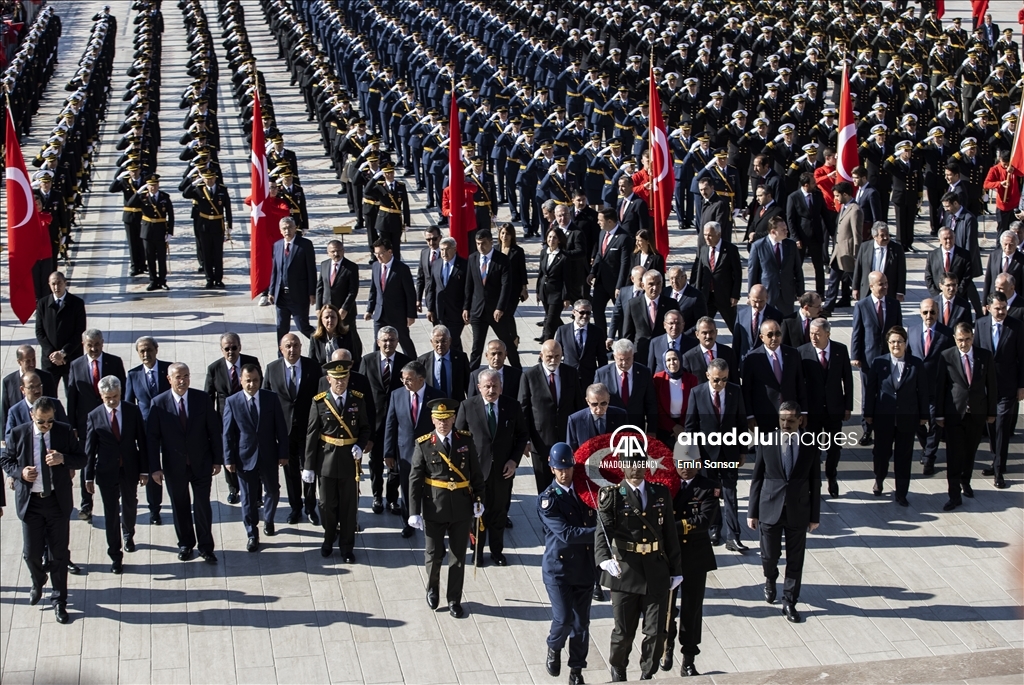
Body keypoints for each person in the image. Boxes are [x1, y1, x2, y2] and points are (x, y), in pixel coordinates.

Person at [595, 452, 683, 681]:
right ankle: (619, 667)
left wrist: (676, 570)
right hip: (626, 571)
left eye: (639, 464)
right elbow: (603, 530)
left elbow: (669, 534)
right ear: (622, 467)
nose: (635, 469)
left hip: (656, 570)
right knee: (623, 632)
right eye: (630, 464)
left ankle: (647, 674)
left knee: (656, 632)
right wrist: (603, 558)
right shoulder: (613, 495)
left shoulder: (660, 493)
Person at [1, 397, 87, 624]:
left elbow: (82, 459)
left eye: (50, 421)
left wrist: (63, 459)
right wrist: (20, 473)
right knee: (31, 553)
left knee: (59, 555)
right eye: (41, 422)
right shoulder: (19, 433)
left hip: (57, 502)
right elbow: (5, 459)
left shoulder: (64, 432)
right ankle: (38, 579)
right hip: (31, 503)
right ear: (32, 416)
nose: (46, 425)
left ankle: (59, 600)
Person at [407, 398, 486, 618]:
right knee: (433, 555)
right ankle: (432, 588)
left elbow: (476, 475)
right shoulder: (424, 443)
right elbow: (415, 479)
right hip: (435, 507)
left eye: (447, 419)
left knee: (458, 557)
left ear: (454, 418)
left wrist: (479, 500)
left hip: (461, 507)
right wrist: (413, 511)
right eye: (439, 419)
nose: (443, 423)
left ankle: (454, 599)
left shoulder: (465, 441)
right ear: (432, 420)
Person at [747, 402, 821, 623]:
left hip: (798, 510)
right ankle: (770, 579)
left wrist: (814, 516)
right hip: (770, 508)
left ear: (800, 420)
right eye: (782, 420)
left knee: (795, 559)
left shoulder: (810, 443)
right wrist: (752, 512)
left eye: (790, 420)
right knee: (769, 556)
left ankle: (789, 601)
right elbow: (757, 477)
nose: (786, 424)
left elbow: (815, 481)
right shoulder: (767, 441)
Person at [147, 363, 224, 564]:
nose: (182, 381)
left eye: (186, 376)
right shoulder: (158, 403)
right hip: (175, 467)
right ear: (169, 379)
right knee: (180, 506)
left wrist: (217, 459)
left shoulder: (202, 399)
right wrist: (155, 468)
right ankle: (185, 544)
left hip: (201, 464)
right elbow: (152, 439)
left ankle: (206, 547)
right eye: (178, 377)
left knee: (202, 506)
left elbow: (213, 430)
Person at [455, 369, 529, 566]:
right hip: (477, 473)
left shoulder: (512, 406)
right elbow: (458, 439)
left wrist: (514, 461)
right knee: (477, 514)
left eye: (495, 386)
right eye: (487, 386)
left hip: (503, 473)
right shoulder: (467, 406)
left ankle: (497, 552)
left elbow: (522, 435)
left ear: (501, 387)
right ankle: (477, 552)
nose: (491, 390)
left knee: (499, 514)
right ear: (479, 387)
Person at [539, 442, 597, 685]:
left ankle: (577, 670)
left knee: (581, 624)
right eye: (559, 469)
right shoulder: (548, 500)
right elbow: (566, 534)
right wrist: (600, 534)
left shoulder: (587, 491)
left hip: (584, 568)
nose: (564, 474)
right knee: (563, 619)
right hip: (559, 570)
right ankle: (554, 646)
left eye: (568, 468)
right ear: (552, 469)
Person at [303, 359, 372, 561]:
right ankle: (329, 537)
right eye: (336, 379)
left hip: (350, 462)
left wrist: (360, 445)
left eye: (344, 378)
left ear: (348, 378)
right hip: (326, 461)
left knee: (349, 507)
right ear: (328, 379)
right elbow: (312, 434)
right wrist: (308, 466)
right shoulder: (319, 402)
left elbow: (365, 428)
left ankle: (346, 547)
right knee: (326, 505)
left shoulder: (357, 400)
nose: (340, 383)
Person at [663, 455, 720, 677]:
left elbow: (704, 521)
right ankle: (666, 646)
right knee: (667, 606)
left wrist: (670, 527)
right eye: (681, 464)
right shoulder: (665, 483)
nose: (685, 469)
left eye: (690, 464)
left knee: (692, 609)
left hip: (695, 556)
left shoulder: (708, 487)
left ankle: (689, 657)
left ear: (698, 463)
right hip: (670, 555)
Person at [84, 376, 147, 573]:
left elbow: (142, 441)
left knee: (130, 505)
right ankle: (115, 555)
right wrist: (88, 476)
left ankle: (128, 533)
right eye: (108, 397)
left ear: (120, 393)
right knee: (110, 513)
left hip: (129, 468)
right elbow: (89, 449)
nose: (112, 401)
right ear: (101, 395)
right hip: (106, 471)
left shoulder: (132, 410)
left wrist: (144, 470)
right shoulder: (94, 416)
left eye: (115, 396)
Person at [684, 357, 747, 551]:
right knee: (711, 493)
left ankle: (734, 536)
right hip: (706, 455)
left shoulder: (735, 391)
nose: (720, 384)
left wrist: (742, 450)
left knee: (730, 493)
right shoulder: (697, 393)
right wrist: (693, 454)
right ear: (707, 375)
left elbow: (741, 422)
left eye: (724, 379)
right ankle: (714, 529)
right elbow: (690, 426)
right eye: (716, 379)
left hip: (729, 453)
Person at [935, 323, 998, 511]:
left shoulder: (984, 356)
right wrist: (939, 414)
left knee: (970, 452)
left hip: (977, 414)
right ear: (955, 339)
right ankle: (953, 495)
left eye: (968, 339)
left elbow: (992, 385)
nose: (964, 344)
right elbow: (941, 387)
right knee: (954, 456)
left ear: (973, 337)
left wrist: (991, 412)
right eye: (960, 340)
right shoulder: (946, 356)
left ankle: (966, 481)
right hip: (954, 414)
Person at [864, 326, 930, 506]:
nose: (896, 345)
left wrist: (924, 415)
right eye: (892, 342)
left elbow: (923, 391)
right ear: (888, 343)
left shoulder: (916, 364)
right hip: (883, 418)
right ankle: (879, 478)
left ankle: (901, 493)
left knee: (903, 457)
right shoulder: (879, 363)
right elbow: (871, 390)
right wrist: (868, 413)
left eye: (899, 341)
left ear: (905, 343)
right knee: (881, 454)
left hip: (907, 418)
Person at [66, 329, 126, 522]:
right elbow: (71, 397)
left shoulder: (114, 362)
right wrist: (72, 425)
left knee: (113, 459)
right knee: (87, 461)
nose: (94, 349)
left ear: (103, 342)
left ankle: (115, 496)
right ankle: (86, 505)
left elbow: (123, 393)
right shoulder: (76, 365)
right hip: (86, 425)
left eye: (97, 344)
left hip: (111, 422)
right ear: (83, 344)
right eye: (90, 345)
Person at [263, 334, 322, 526]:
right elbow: (266, 400)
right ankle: (295, 507)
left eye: (296, 345)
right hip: (284, 431)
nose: (292, 349)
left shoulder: (313, 367)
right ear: (281, 349)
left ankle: (311, 507)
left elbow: (321, 396)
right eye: (288, 346)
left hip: (308, 429)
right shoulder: (272, 369)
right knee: (291, 472)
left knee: (309, 469)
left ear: (301, 347)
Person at [384, 360, 444, 537]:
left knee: (432, 489)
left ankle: (433, 522)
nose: (405, 382)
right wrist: (388, 452)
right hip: (405, 452)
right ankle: (409, 521)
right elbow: (391, 425)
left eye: (409, 379)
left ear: (421, 379)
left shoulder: (437, 396)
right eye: (403, 379)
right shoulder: (397, 395)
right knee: (407, 488)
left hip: (431, 452)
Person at [519, 340, 584, 494]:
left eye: (557, 356)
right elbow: (523, 410)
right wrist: (525, 440)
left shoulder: (571, 373)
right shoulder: (529, 376)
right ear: (541, 355)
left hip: (567, 440)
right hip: (541, 441)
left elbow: (579, 406)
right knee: (544, 487)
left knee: (569, 484)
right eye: (549, 356)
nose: (553, 360)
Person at [799, 318, 854, 497]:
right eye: (811, 334)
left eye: (817, 334)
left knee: (834, 449)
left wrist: (848, 406)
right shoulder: (802, 352)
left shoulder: (840, 350)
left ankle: (832, 476)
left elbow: (848, 379)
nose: (813, 338)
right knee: (811, 449)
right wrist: (802, 411)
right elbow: (799, 384)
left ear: (828, 334)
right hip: (812, 411)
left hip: (834, 409)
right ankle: (814, 483)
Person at [974, 293, 1024, 489]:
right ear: (988, 308)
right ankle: (997, 462)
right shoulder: (980, 324)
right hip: (986, 388)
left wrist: (1021, 386)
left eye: (1004, 307)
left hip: (1007, 387)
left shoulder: (1016, 326)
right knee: (992, 426)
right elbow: (976, 355)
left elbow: (1022, 358)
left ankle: (998, 471)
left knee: (1002, 425)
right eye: (997, 308)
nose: (1001, 311)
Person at [205, 332, 261, 505]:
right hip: (226, 419)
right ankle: (233, 488)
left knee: (253, 452)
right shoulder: (214, 368)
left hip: (250, 417)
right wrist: (212, 422)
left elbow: (260, 386)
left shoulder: (251, 362)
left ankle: (257, 492)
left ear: (240, 347)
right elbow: (209, 397)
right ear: (221, 350)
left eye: (234, 348)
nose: (231, 352)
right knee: (228, 452)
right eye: (227, 348)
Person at [851, 272, 903, 445]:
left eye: (886, 283)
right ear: (871, 286)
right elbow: (857, 332)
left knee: (888, 391)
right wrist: (855, 355)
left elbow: (899, 330)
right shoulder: (862, 305)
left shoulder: (894, 304)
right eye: (881, 284)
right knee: (868, 393)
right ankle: (867, 430)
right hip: (869, 358)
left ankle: (888, 425)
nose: (885, 286)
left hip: (890, 357)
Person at [362, 326, 410, 515]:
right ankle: (377, 496)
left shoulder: (406, 362)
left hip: (398, 422)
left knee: (395, 463)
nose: (388, 343)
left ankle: (392, 499)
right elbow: (360, 393)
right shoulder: (367, 361)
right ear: (378, 342)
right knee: (375, 462)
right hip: (374, 422)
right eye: (385, 340)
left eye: (392, 340)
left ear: (397, 342)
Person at [123, 336, 170, 524]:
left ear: (156, 349)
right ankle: (154, 509)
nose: (146, 354)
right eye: (142, 351)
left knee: (173, 467)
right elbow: (128, 405)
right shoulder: (133, 375)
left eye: (149, 349)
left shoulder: (169, 369)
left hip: (169, 427)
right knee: (152, 470)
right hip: (146, 430)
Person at [907, 300, 956, 476]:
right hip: (917, 389)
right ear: (920, 313)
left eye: (933, 312)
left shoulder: (947, 334)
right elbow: (908, 358)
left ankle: (929, 458)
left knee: (935, 424)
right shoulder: (912, 331)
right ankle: (927, 448)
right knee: (916, 423)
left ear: (938, 313)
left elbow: (952, 361)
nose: (929, 316)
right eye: (926, 312)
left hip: (937, 388)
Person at [464, 230, 518, 369]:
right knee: (477, 347)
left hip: (496, 312)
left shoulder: (502, 260)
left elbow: (506, 286)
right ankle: (472, 375)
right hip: (478, 311)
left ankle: (518, 371)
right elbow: (469, 285)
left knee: (507, 342)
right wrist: (466, 307)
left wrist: (500, 307)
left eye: (483, 243)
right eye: (477, 244)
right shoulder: (472, 258)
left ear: (491, 242)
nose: (480, 247)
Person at [741, 319, 807, 430]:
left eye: (778, 334)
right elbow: (747, 390)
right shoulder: (752, 358)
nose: (774, 338)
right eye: (770, 335)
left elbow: (800, 383)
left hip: (790, 415)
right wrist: (750, 416)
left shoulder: (793, 354)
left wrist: (804, 411)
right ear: (762, 337)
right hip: (765, 415)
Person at [34, 271, 87, 394]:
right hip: (50, 361)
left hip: (71, 358)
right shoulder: (42, 304)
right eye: (53, 284)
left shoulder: (77, 303)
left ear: (65, 283)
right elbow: (39, 332)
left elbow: (79, 331)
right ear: (49, 284)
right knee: (49, 396)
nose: (56, 287)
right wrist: (53, 354)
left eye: (59, 283)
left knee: (73, 395)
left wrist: (63, 353)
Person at [366, 238, 418, 357]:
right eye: (375, 254)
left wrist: (411, 315)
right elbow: (374, 290)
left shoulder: (402, 268)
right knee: (378, 342)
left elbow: (410, 293)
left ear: (390, 252)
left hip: (397, 314)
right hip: (380, 314)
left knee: (404, 342)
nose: (378, 257)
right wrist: (369, 309)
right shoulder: (375, 266)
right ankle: (376, 364)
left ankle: (413, 364)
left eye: (381, 253)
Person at [181, 169, 231, 288]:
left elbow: (228, 209)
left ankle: (218, 279)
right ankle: (209, 279)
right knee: (206, 253)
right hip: (204, 226)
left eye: (211, 178)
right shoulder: (199, 189)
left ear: (215, 178)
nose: (209, 181)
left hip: (218, 225)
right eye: (207, 178)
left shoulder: (222, 190)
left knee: (218, 254)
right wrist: (195, 182)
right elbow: (185, 194)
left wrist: (229, 226)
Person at [269, 217, 317, 341]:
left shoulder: (305, 245)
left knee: (303, 326)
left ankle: (322, 344)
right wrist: (271, 291)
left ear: (295, 228)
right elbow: (275, 270)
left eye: (290, 227)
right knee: (281, 327)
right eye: (284, 228)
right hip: (281, 296)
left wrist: (312, 293)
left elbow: (311, 270)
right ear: (280, 230)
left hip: (298, 295)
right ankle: (281, 353)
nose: (287, 231)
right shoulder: (277, 245)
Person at [595, 339, 658, 433]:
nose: (624, 363)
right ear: (614, 356)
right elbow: (596, 402)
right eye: (621, 359)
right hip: (611, 428)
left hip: (636, 427)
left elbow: (651, 403)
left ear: (633, 355)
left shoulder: (644, 372)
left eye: (628, 359)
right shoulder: (602, 374)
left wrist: (651, 430)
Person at [690, 221, 742, 331]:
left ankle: (740, 342)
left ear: (718, 234)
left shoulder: (730, 249)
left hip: (725, 296)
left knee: (734, 326)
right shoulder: (703, 249)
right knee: (703, 326)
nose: (707, 238)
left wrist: (735, 295)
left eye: (710, 235)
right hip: (707, 296)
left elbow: (737, 273)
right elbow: (698, 272)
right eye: (705, 235)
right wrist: (697, 292)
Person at [587, 208, 631, 336]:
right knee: (596, 309)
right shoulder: (602, 233)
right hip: (601, 281)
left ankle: (622, 339)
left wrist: (619, 286)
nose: (598, 223)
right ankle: (601, 338)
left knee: (620, 314)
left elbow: (625, 264)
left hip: (615, 284)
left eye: (600, 220)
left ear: (610, 221)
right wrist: (592, 272)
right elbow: (600, 255)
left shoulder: (624, 238)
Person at [748, 218, 804, 314]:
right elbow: (752, 272)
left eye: (786, 229)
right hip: (767, 293)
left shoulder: (791, 245)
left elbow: (798, 269)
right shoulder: (758, 246)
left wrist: (800, 292)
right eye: (783, 230)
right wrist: (751, 294)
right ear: (773, 232)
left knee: (787, 320)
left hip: (787, 292)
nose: (787, 231)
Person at [129, 175, 174, 291]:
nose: (153, 187)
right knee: (150, 257)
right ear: (147, 186)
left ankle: (162, 280)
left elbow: (171, 215)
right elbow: (130, 204)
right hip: (147, 231)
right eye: (150, 185)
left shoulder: (164, 197)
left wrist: (170, 232)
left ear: (158, 185)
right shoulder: (143, 197)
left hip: (161, 230)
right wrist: (138, 192)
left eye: (155, 185)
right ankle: (153, 280)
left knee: (161, 258)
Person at [822, 181, 861, 314]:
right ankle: (828, 307)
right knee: (833, 281)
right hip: (838, 252)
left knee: (855, 281)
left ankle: (865, 304)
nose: (835, 199)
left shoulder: (855, 210)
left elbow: (857, 235)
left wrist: (856, 255)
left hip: (848, 254)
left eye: (837, 196)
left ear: (845, 194)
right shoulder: (844, 207)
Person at [425, 236, 468, 353]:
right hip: (439, 312)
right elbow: (431, 288)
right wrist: (430, 309)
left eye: (447, 249)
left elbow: (468, 290)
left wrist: (466, 308)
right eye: (442, 249)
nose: (444, 253)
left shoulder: (464, 265)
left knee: (453, 340)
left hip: (456, 311)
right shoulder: (436, 264)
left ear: (454, 249)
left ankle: (458, 361)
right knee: (441, 340)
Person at [315, 240, 360, 349]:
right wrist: (318, 307)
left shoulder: (351, 267)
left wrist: (344, 309)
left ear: (343, 251)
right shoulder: (324, 265)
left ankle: (355, 356)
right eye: (333, 251)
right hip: (327, 310)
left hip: (344, 312)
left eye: (339, 251)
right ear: (328, 253)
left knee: (350, 338)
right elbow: (320, 287)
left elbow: (353, 291)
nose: (336, 254)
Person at [1, 346, 57, 431]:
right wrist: (3, 435)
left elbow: (54, 404)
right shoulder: (9, 381)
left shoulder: (46, 378)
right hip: (20, 431)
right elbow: (5, 410)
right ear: (19, 362)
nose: (32, 364)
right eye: (28, 361)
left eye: (33, 359)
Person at [652, 349, 699, 448]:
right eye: (668, 360)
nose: (672, 362)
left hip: (686, 426)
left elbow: (693, 406)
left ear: (680, 360)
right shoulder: (658, 379)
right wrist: (673, 427)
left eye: (675, 359)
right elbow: (657, 406)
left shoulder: (691, 379)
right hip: (664, 426)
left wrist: (682, 428)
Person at [852, 222, 907, 303]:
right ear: (874, 236)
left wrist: (900, 292)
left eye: (887, 234)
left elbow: (901, 271)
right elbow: (858, 268)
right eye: (882, 235)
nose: (886, 237)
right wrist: (855, 288)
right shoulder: (865, 247)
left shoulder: (897, 249)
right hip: (867, 290)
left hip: (888, 290)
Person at [555, 301, 604, 390]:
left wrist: (603, 378)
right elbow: (557, 354)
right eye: (582, 312)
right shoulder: (563, 330)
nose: (585, 316)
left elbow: (602, 357)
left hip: (589, 377)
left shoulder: (597, 332)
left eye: (588, 313)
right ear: (574, 312)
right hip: (568, 377)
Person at [537, 227, 573, 342]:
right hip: (544, 291)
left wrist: (566, 297)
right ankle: (568, 335)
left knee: (551, 321)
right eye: (550, 237)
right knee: (552, 317)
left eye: (555, 238)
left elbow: (567, 279)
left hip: (556, 293)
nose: (551, 240)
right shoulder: (544, 252)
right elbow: (541, 273)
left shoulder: (564, 257)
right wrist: (538, 291)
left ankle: (547, 342)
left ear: (559, 240)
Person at [419, 325, 472, 401]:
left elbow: (468, 384)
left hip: (456, 404)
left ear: (450, 340)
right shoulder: (423, 360)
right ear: (431, 342)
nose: (440, 345)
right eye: (437, 342)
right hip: (432, 405)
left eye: (444, 341)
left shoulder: (461, 358)